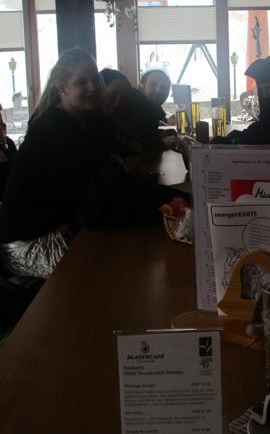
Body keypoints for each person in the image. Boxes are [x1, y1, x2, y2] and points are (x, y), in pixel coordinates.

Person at [0, 49, 184, 280]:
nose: (93, 87)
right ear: (62, 87)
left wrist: (173, 199)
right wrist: (163, 207)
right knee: (116, 269)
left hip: (64, 224)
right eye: (81, 81)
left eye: (96, 79)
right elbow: (96, 206)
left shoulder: (86, 122)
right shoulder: (54, 128)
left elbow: (116, 180)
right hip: (28, 243)